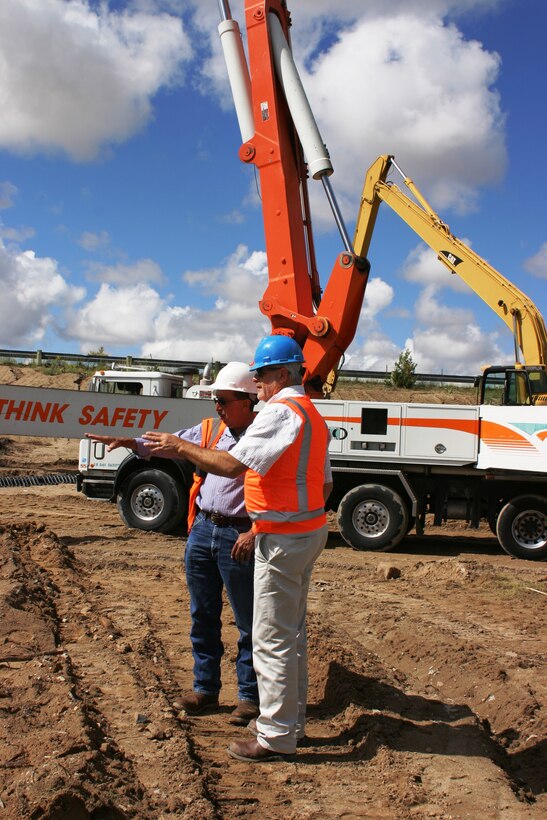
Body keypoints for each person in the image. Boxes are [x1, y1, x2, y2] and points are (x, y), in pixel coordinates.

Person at [140, 336, 333, 762]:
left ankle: (276, 735)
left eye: (261, 375)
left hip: (282, 538)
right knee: (291, 635)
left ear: (282, 374)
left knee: (271, 638)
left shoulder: (282, 412)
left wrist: (179, 446)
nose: (257, 383)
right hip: (303, 531)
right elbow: (324, 484)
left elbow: (230, 464)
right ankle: (291, 723)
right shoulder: (311, 414)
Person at [86, 362, 260, 727]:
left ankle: (248, 697)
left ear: (247, 401)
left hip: (239, 534)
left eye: (223, 400)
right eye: (215, 400)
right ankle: (205, 688)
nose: (217, 407)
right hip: (203, 529)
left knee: (248, 621)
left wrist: (256, 530)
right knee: (202, 613)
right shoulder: (214, 428)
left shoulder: (261, 435)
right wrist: (134, 444)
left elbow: (229, 466)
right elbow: (173, 444)